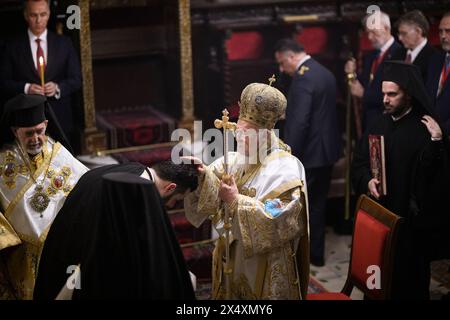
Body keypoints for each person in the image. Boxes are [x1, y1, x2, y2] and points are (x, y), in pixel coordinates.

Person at [184, 80, 310, 300]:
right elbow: (214, 181)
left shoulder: (286, 168)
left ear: (265, 134)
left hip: (267, 263)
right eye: (238, 131)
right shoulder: (239, 158)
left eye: (247, 133)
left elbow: (279, 216)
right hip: (236, 254)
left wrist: (235, 200)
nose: (239, 138)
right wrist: (202, 174)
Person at [33, 159, 198, 299]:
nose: (170, 206)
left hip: (58, 254)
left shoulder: (132, 168)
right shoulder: (133, 193)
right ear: (171, 188)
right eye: (176, 200)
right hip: (79, 272)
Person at [351, 61, 447, 299]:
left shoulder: (425, 129)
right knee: (377, 279)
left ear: (408, 95)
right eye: (383, 94)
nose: (385, 99)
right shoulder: (379, 123)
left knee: (408, 283)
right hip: (380, 220)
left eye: (392, 94)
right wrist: (367, 181)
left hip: (410, 226)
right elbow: (360, 162)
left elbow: (434, 178)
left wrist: (436, 142)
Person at [0, 93, 88, 300]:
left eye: (39, 131)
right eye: (28, 133)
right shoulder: (2, 161)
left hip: (63, 250)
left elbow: (86, 190)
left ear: (46, 124)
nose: (35, 139)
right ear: (15, 131)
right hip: (21, 254)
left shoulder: (60, 154)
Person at [274, 38, 341, 267]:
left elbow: (299, 123)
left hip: (310, 155)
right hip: (328, 152)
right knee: (319, 203)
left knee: (299, 207)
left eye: (283, 63)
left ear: (292, 57)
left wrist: (288, 154)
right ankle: (317, 255)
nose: (282, 69)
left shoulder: (303, 79)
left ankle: (299, 257)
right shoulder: (324, 72)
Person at [0, 0, 82, 141]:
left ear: (49, 14)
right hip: (26, 122)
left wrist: (58, 88)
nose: (38, 20)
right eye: (33, 15)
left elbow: (76, 79)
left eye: (43, 14)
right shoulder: (12, 46)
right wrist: (27, 88)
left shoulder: (64, 43)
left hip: (60, 120)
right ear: (26, 15)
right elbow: (3, 82)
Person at [345, 11, 403, 130]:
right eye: (368, 33)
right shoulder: (371, 57)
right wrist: (352, 73)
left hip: (389, 123)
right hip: (371, 122)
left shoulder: (400, 54)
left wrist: (364, 94)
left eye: (373, 32)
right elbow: (364, 84)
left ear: (386, 28)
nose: (370, 37)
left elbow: (397, 95)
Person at [426, 12, 450, 135]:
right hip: (431, 134)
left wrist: (443, 130)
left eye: (448, 31)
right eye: (440, 31)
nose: (443, 36)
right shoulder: (435, 60)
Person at [396, 10, 437, 81]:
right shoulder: (397, 53)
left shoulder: (434, 57)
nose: (399, 38)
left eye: (404, 33)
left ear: (418, 32)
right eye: (399, 33)